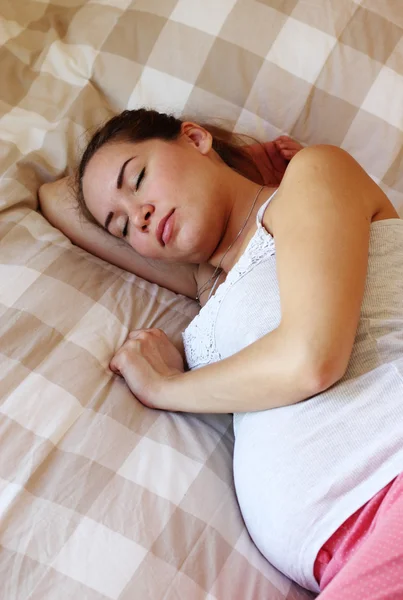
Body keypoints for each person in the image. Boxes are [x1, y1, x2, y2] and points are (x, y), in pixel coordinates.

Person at [39, 108, 403, 598]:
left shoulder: (314, 175)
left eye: (139, 178)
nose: (140, 217)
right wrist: (227, 164)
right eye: (122, 227)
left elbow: (311, 358)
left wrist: (166, 387)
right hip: (350, 547)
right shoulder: (208, 288)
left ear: (193, 136)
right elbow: (56, 199)